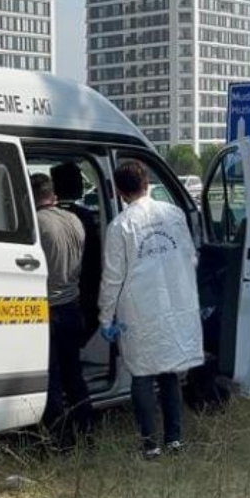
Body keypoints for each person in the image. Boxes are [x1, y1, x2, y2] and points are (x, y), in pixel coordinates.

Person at [98, 162, 204, 460]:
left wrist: (106, 317)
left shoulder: (120, 225)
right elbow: (190, 257)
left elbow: (113, 278)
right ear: (148, 182)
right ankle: (175, 439)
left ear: (119, 190)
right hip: (174, 306)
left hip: (139, 311)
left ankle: (150, 444)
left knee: (142, 375)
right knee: (169, 371)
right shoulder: (174, 214)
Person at [31, 172, 95, 449]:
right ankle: (87, 432)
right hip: (73, 306)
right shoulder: (75, 220)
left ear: (32, 196)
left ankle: (60, 440)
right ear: (52, 193)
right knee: (75, 376)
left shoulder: (37, 224)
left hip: (49, 310)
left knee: (53, 379)